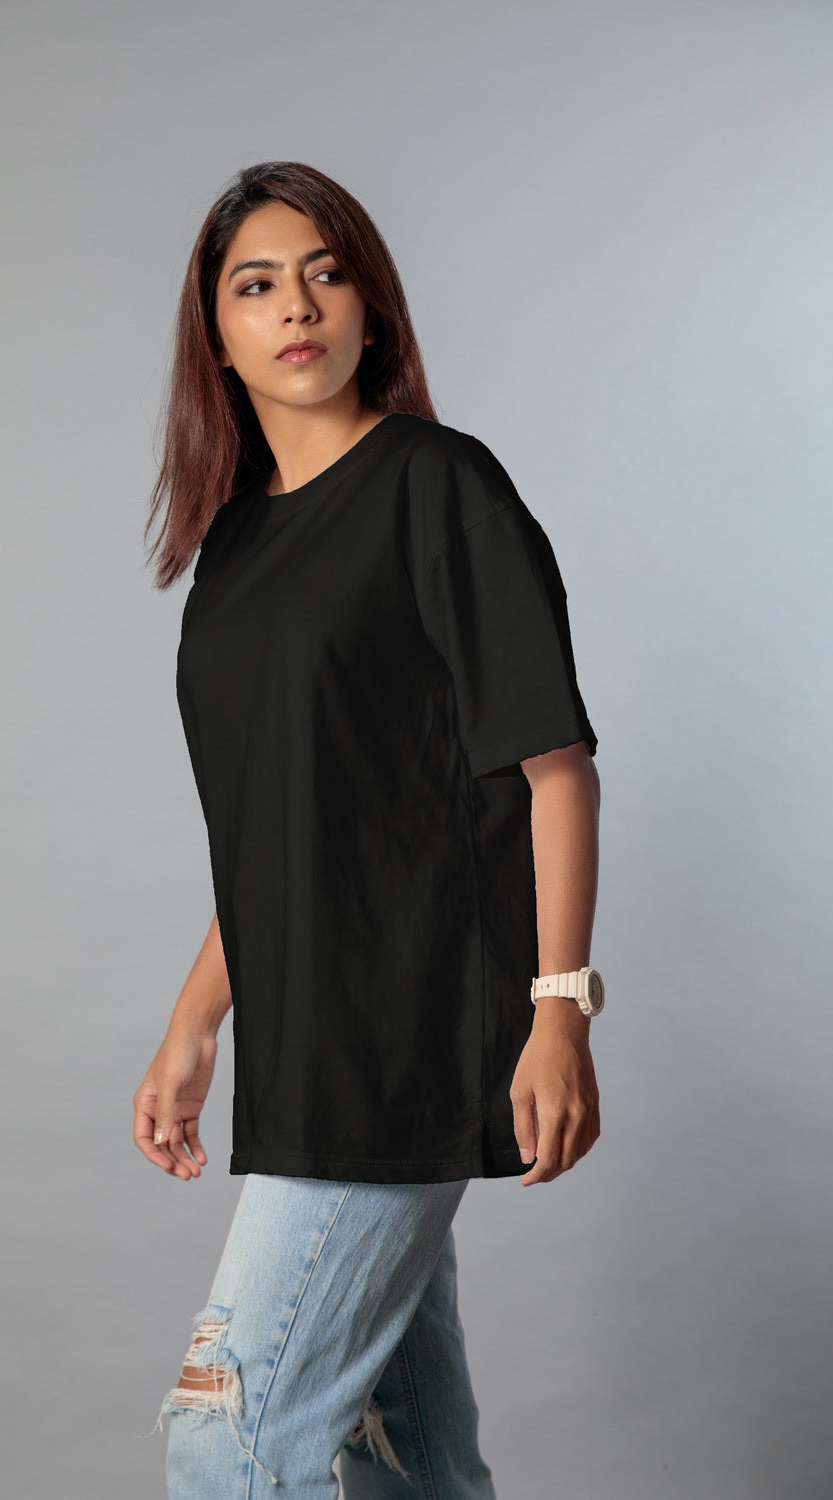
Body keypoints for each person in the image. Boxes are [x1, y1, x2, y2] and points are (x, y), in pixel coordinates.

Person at [133, 160, 603, 1498]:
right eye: (257, 285)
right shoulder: (233, 556)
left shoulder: (436, 485)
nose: (297, 306)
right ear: (217, 335)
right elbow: (293, 834)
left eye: (326, 274)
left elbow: (555, 768)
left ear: (371, 308)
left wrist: (559, 1009)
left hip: (409, 1032)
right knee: (410, 1459)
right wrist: (195, 1022)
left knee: (229, 1436)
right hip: (306, 1053)